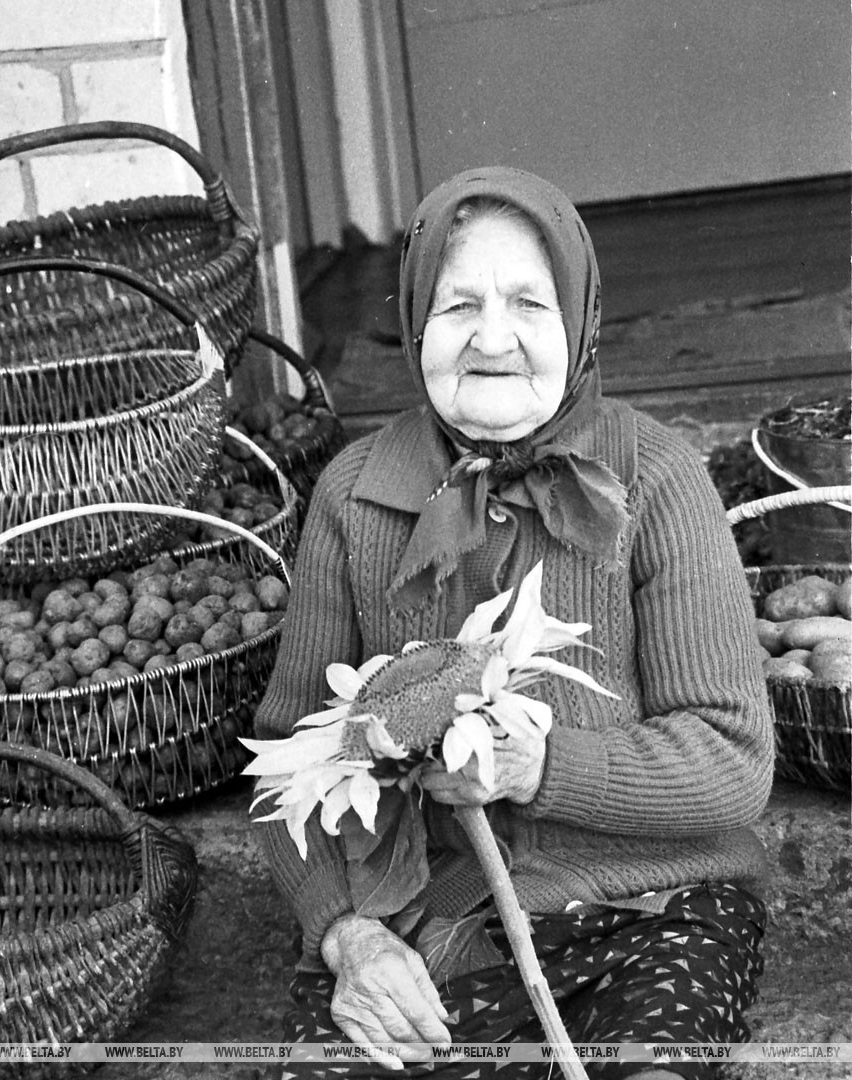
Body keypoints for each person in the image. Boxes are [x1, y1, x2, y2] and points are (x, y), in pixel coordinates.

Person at [252, 166, 774, 1079]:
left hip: (651, 907)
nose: (493, 338)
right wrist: (347, 935)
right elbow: (284, 764)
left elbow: (733, 764)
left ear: (578, 324)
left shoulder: (657, 480)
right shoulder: (352, 496)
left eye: (530, 303)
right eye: (459, 307)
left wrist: (543, 768)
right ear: (417, 325)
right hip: (425, 926)